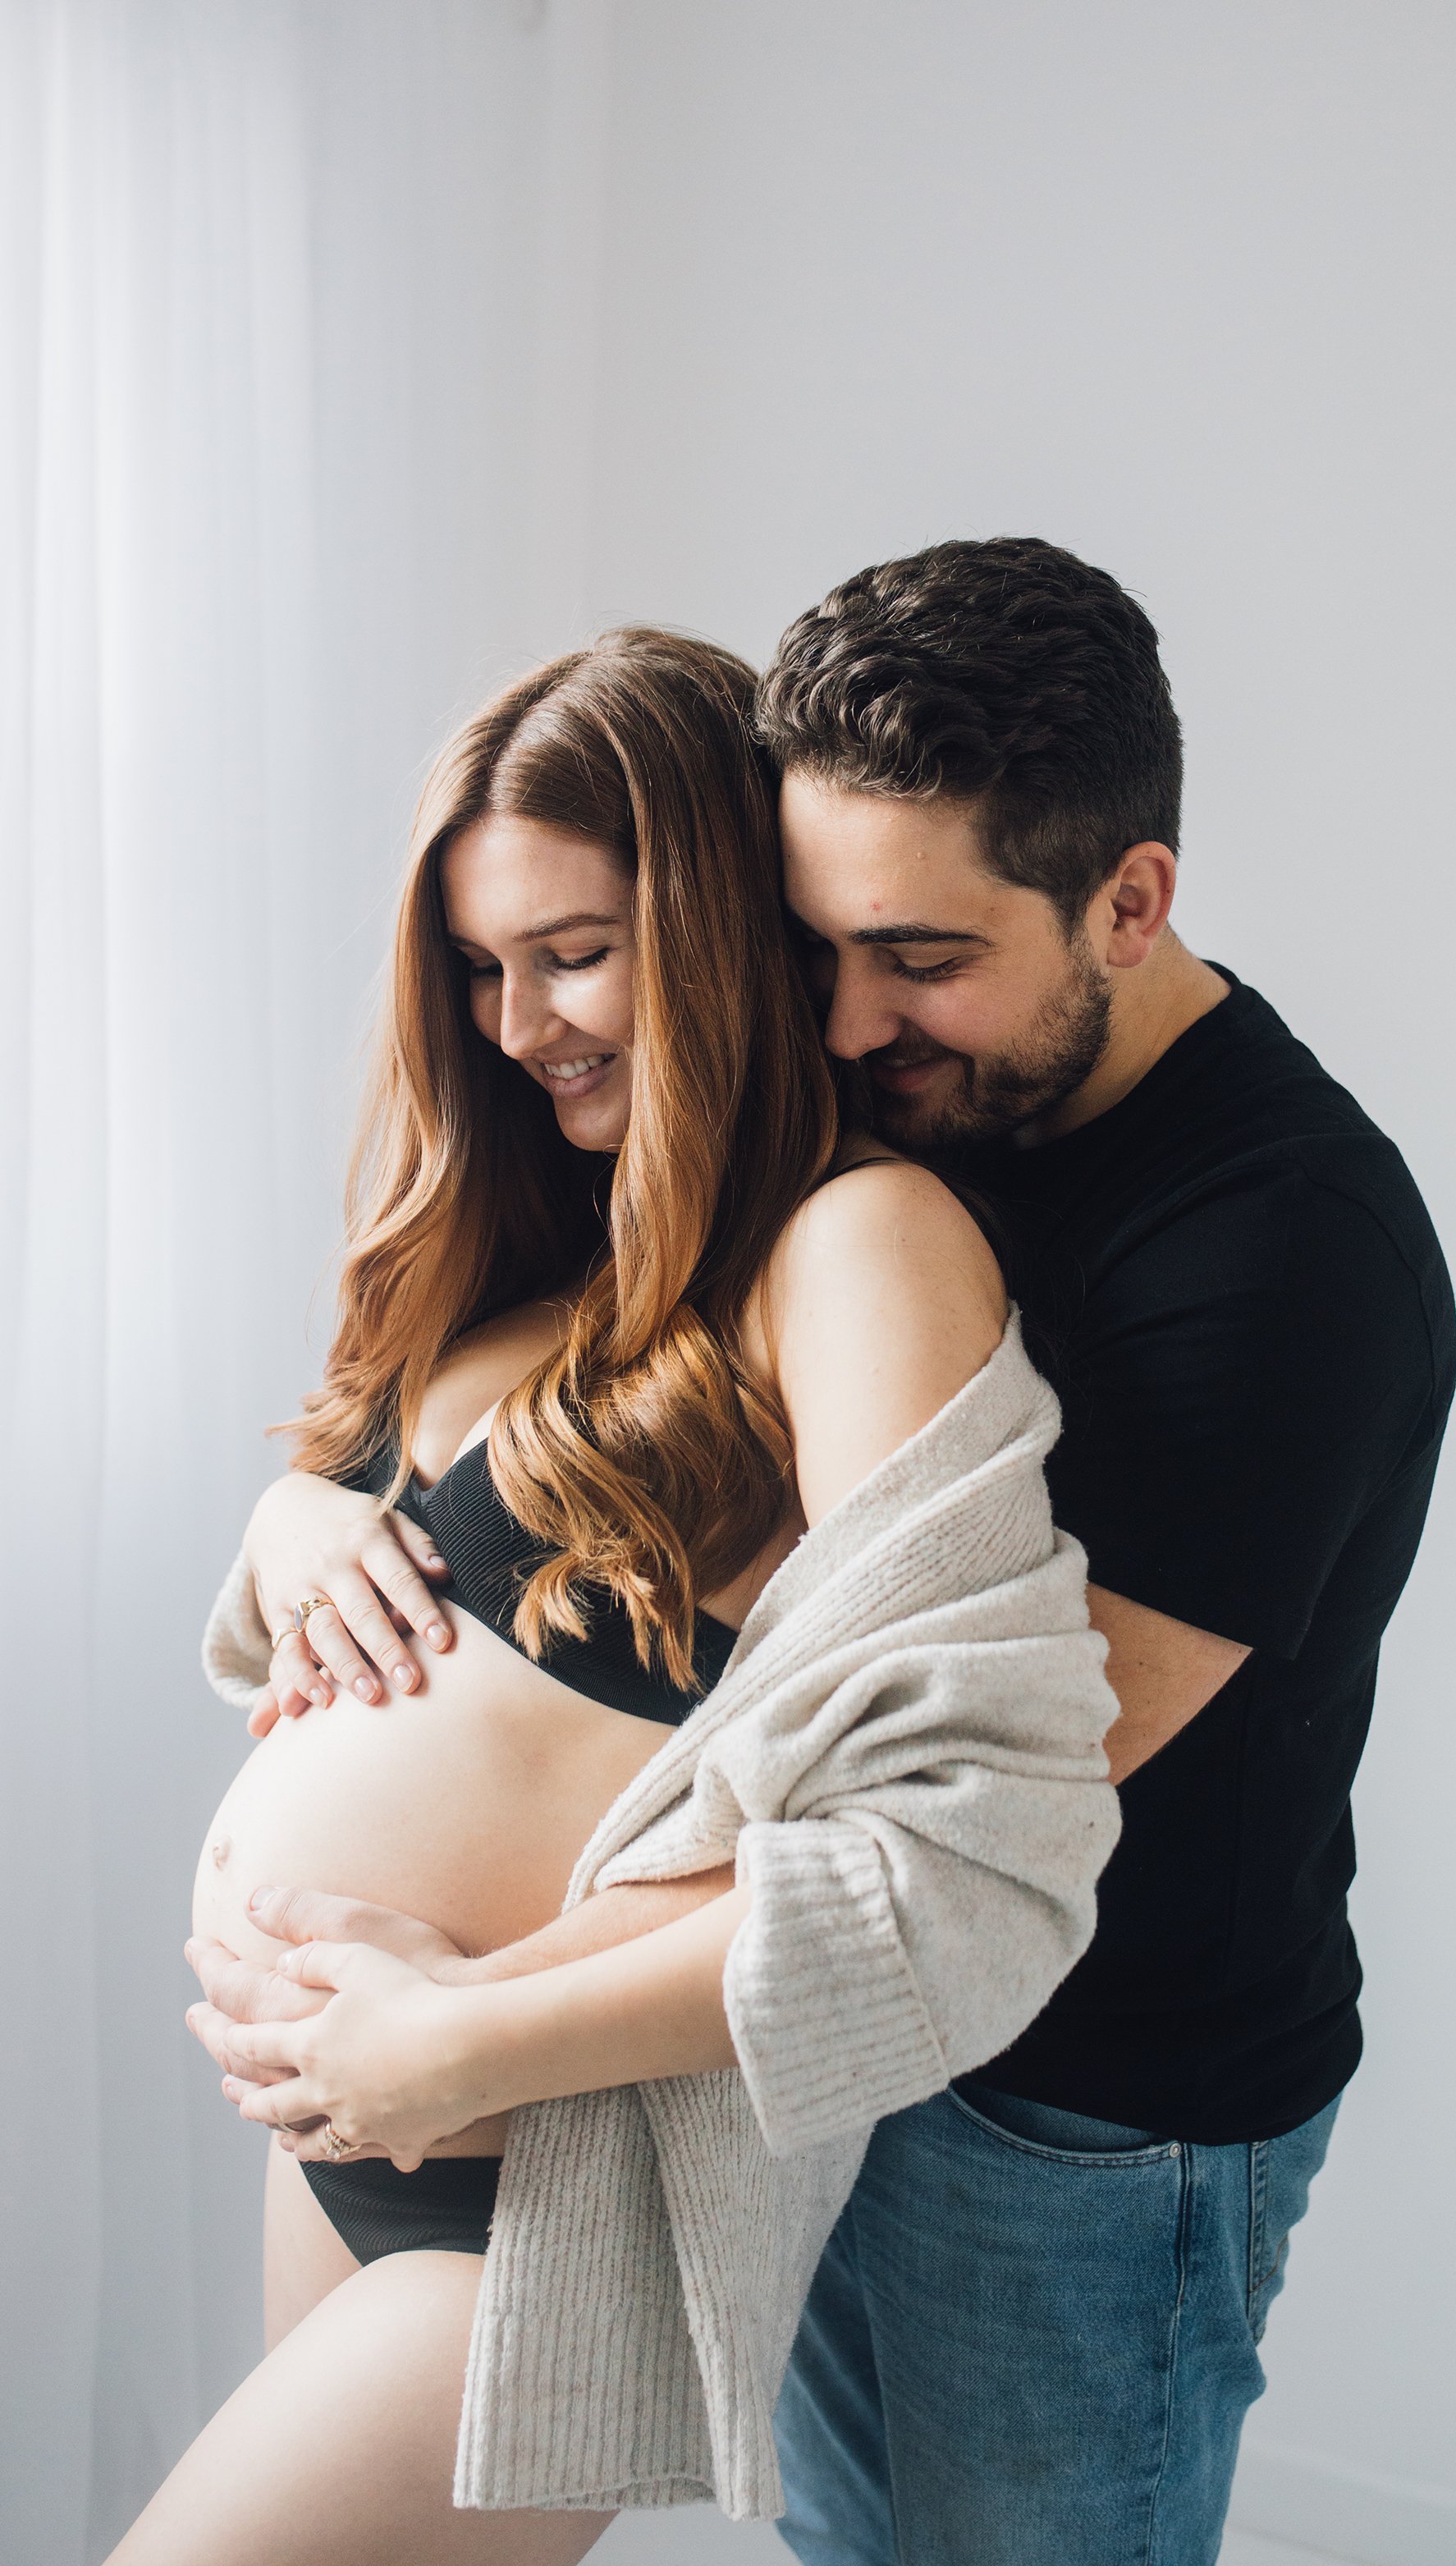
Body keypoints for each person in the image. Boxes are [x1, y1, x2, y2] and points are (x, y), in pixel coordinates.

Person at [124, 626, 1119, 2564]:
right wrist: (289, 1526)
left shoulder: (852, 1249)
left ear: (729, 923)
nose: (517, 1023)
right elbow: (381, 1618)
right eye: (480, 970)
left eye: (571, 951)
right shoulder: (542, 1259)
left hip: (525, 2186)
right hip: (351, 2129)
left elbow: (977, 1847)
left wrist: (457, 2042)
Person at [753, 535, 1456, 2566]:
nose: (845, 1022)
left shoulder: (1283, 1254)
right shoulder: (915, 1105)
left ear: (1127, 901)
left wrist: (500, 2005)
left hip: (1095, 2124)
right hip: (865, 2029)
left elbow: (984, 1766)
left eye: (919, 957)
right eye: (816, 950)